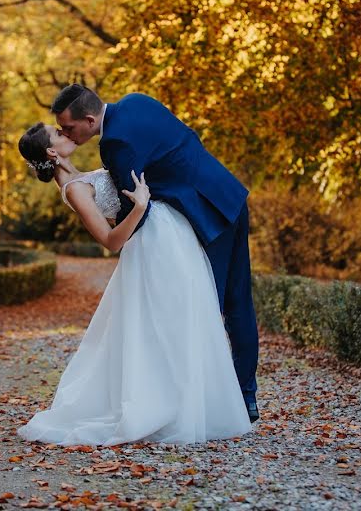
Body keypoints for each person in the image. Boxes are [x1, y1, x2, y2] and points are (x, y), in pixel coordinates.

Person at [16, 122, 252, 445]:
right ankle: (174, 408)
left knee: (178, 319)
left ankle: (188, 404)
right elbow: (110, 241)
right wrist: (140, 207)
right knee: (172, 322)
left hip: (163, 236)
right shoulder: (73, 189)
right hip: (150, 247)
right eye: (58, 133)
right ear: (51, 152)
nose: (65, 131)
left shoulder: (79, 177)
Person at [51, 85, 259, 423]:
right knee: (239, 305)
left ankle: (208, 406)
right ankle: (245, 398)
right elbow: (186, 142)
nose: (67, 134)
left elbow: (137, 208)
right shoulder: (137, 101)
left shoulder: (114, 144)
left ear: (89, 120)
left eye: (70, 128)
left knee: (207, 308)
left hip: (206, 215)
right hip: (227, 192)